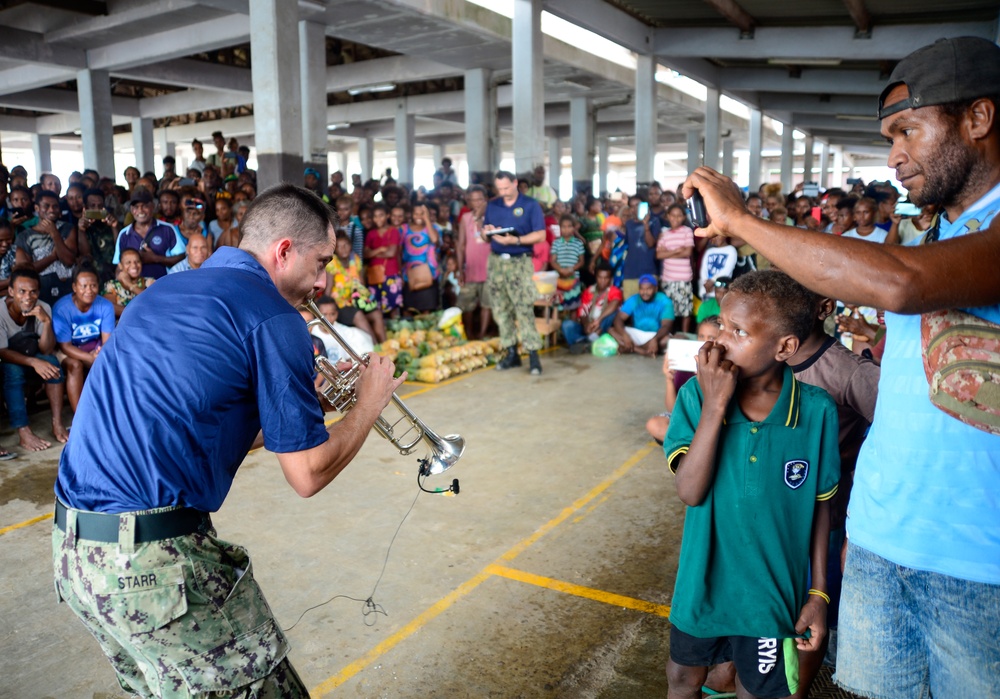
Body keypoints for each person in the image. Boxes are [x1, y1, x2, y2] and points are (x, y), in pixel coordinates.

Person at [682, 37, 1000, 699]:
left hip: (977, 565)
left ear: (978, 119)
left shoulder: (974, 240)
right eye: (889, 137)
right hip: (885, 543)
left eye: (908, 130)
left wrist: (742, 220)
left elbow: (901, 283)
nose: (894, 156)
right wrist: (857, 543)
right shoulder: (937, 231)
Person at [52, 184, 402, 697]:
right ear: (284, 251)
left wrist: (311, 411)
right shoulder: (275, 316)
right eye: (320, 262)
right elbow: (307, 474)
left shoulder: (161, 293)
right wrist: (369, 403)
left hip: (74, 554)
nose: (323, 282)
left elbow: (203, 422)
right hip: (152, 565)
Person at [665, 271, 840, 699]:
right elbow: (690, 491)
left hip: (770, 596)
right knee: (684, 680)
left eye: (738, 332)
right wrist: (716, 403)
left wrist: (818, 593)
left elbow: (820, 509)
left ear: (785, 347)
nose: (720, 341)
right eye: (722, 325)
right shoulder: (695, 398)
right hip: (700, 588)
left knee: (757, 691)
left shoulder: (815, 412)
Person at [484, 170, 546, 375]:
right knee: (500, 309)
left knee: (524, 308)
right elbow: (486, 234)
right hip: (496, 262)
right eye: (499, 189)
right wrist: (487, 233)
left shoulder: (530, 205)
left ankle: (533, 355)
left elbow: (540, 235)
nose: (503, 192)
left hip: (520, 262)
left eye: (506, 188)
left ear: (515, 183)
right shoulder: (493, 205)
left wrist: (516, 240)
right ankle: (512, 352)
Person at [0, 267, 67, 452]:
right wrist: (33, 362)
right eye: (22, 291)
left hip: (31, 355)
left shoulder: (43, 308)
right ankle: (24, 432)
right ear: (11, 291)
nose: (28, 297)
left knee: (53, 364)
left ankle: (57, 423)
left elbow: (46, 349)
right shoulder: (0, 311)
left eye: (33, 291)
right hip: (8, 360)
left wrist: (46, 322)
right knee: (13, 372)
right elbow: (2, 351)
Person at [644, 316, 719, 444]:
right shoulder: (685, 364)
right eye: (701, 337)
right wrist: (669, 379)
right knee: (655, 424)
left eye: (712, 338)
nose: (705, 343)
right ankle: (699, 446)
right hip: (688, 420)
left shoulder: (723, 367)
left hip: (713, 422)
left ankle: (691, 445)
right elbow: (673, 410)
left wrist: (703, 379)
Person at [52, 263, 116, 413]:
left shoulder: (105, 306)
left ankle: (108, 413)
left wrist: (99, 354)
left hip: (95, 349)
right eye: (84, 286)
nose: (89, 290)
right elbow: (64, 346)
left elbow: (107, 341)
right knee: (75, 365)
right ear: (74, 287)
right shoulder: (62, 309)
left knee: (111, 362)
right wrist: (89, 358)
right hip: (68, 350)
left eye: (93, 285)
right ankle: (79, 417)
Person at [15, 189, 78, 306]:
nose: (51, 210)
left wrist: (54, 233)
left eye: (55, 206)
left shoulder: (67, 228)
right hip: (41, 291)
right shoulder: (25, 236)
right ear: (37, 208)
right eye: (46, 206)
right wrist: (53, 257)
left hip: (68, 287)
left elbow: (69, 261)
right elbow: (26, 270)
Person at [113, 189, 185, 279]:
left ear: (153, 207)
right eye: (136, 207)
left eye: (145, 206)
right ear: (131, 209)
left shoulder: (167, 229)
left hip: (163, 285)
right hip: (134, 290)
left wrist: (155, 258)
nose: (140, 210)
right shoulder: (124, 234)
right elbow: (118, 266)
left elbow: (182, 257)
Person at [455, 185, 493, 339]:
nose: (477, 203)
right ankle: (469, 335)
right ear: (468, 202)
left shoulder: (492, 218)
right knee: (466, 306)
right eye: (473, 200)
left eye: (480, 200)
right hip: (471, 269)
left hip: (490, 268)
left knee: (487, 304)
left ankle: (482, 335)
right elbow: (461, 245)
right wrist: (460, 269)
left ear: (486, 200)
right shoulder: (465, 218)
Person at [561, 263, 624, 353]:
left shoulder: (614, 291)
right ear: (595, 277)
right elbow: (583, 312)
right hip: (589, 327)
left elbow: (615, 303)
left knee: (612, 314)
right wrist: (587, 325)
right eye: (600, 277)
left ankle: (584, 343)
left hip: (602, 327)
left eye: (606, 278)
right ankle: (586, 342)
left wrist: (598, 320)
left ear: (610, 279)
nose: (602, 281)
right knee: (566, 325)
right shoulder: (588, 291)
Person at [609, 274, 674, 356]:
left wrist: (655, 339)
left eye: (648, 289)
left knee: (668, 340)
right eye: (641, 289)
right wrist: (625, 335)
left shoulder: (665, 301)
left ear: (655, 289)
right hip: (637, 334)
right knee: (611, 330)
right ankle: (642, 351)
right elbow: (618, 319)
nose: (644, 292)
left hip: (656, 334)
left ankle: (630, 348)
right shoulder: (634, 299)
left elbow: (666, 326)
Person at [656, 204, 695, 333]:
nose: (675, 218)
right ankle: (669, 337)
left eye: (679, 216)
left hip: (683, 278)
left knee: (685, 311)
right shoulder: (664, 233)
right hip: (667, 279)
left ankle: (684, 336)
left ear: (684, 217)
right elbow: (658, 255)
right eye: (673, 215)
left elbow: (688, 252)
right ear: (668, 216)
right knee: (669, 311)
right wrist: (677, 251)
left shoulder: (687, 231)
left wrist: (668, 252)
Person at [76, 188, 121, 286]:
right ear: (85, 207)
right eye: (92, 206)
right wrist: (81, 231)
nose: (97, 209)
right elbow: (85, 253)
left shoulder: (112, 222)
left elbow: (120, 250)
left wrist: (114, 227)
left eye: (100, 206)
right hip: (92, 278)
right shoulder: (79, 226)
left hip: (114, 275)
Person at [103, 248, 154, 317]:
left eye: (137, 262)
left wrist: (130, 285)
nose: (134, 266)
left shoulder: (150, 282)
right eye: (128, 262)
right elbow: (110, 307)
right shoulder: (112, 285)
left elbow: (154, 302)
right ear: (120, 266)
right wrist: (137, 314)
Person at [549, 214, 586, 310]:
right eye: (563, 227)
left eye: (569, 226)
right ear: (560, 228)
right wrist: (560, 269)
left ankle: (571, 323)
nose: (566, 229)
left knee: (573, 304)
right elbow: (552, 261)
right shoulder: (556, 243)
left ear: (574, 228)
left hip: (574, 278)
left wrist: (571, 269)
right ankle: (556, 324)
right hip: (559, 278)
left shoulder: (578, 243)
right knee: (557, 304)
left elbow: (581, 261)